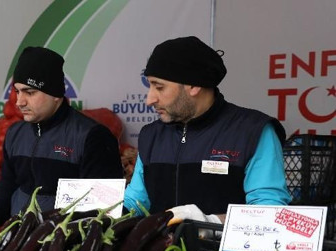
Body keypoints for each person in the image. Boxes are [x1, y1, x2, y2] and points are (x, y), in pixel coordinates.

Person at [123, 36, 290, 221]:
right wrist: (105, 214)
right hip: (162, 241)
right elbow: (136, 201)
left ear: (194, 85)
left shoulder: (252, 131)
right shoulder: (151, 135)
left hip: (225, 241)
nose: (149, 99)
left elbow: (269, 210)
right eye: (150, 86)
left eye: (159, 87)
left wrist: (211, 223)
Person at [0, 46, 123, 234]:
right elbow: (8, 185)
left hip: (67, 245)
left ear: (55, 94)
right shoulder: (15, 134)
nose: (19, 102)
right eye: (18, 91)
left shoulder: (93, 137)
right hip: (19, 241)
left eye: (29, 92)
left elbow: (102, 212)